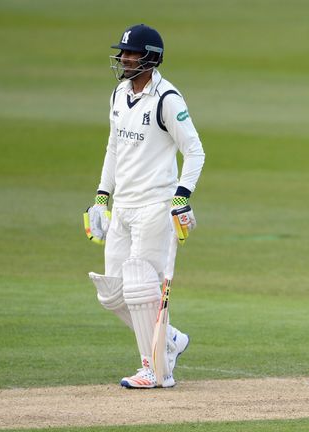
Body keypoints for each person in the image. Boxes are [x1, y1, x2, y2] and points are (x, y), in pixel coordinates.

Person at [84, 24, 206, 388]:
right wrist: (102, 196)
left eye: (131, 53)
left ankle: (156, 371)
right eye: (122, 53)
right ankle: (170, 340)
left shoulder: (168, 99)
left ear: (150, 58)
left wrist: (182, 195)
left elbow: (195, 151)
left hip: (155, 204)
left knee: (141, 291)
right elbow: (113, 147)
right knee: (112, 293)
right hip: (122, 207)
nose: (123, 59)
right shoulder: (120, 94)